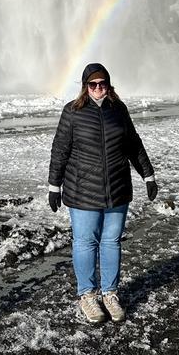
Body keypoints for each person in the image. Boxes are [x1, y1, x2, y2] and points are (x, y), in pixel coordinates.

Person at [47, 62, 157, 324]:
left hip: (117, 189)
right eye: (93, 84)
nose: (98, 88)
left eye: (103, 83)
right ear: (85, 87)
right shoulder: (73, 112)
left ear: (109, 84)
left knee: (111, 242)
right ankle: (87, 295)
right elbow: (60, 150)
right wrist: (54, 185)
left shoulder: (118, 110)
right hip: (82, 191)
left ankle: (110, 293)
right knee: (85, 242)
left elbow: (134, 145)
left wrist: (148, 175)